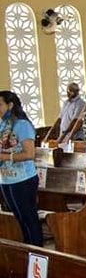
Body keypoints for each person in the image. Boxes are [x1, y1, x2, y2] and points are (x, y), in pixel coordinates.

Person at [0, 91, 42, 247]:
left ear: (10, 105)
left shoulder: (22, 125)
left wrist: (5, 157)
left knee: (29, 218)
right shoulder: (2, 125)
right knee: (19, 218)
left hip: (23, 179)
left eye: (0, 105)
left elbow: (29, 154)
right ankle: (27, 250)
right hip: (6, 179)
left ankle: (37, 252)